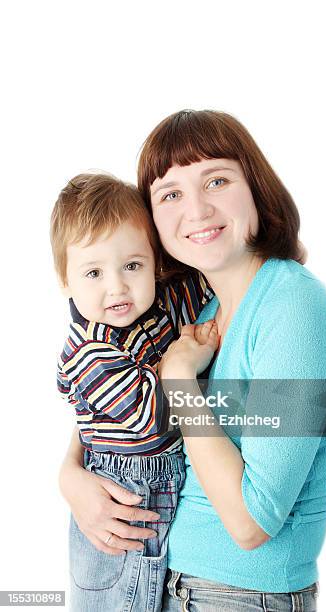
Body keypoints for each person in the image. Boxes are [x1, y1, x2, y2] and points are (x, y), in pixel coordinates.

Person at [59, 110, 326, 611]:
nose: (195, 209)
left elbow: (250, 523)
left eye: (216, 179)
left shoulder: (292, 309)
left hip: (236, 595)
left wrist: (177, 377)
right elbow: (108, 403)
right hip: (168, 580)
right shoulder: (204, 310)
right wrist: (70, 473)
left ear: (256, 187)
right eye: (170, 193)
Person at [51, 172, 217, 611]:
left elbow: (210, 282)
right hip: (125, 498)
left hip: (164, 492)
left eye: (132, 265)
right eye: (94, 272)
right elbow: (153, 416)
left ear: (154, 263)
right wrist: (184, 361)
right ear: (64, 281)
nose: (117, 286)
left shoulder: (158, 305)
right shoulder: (88, 350)